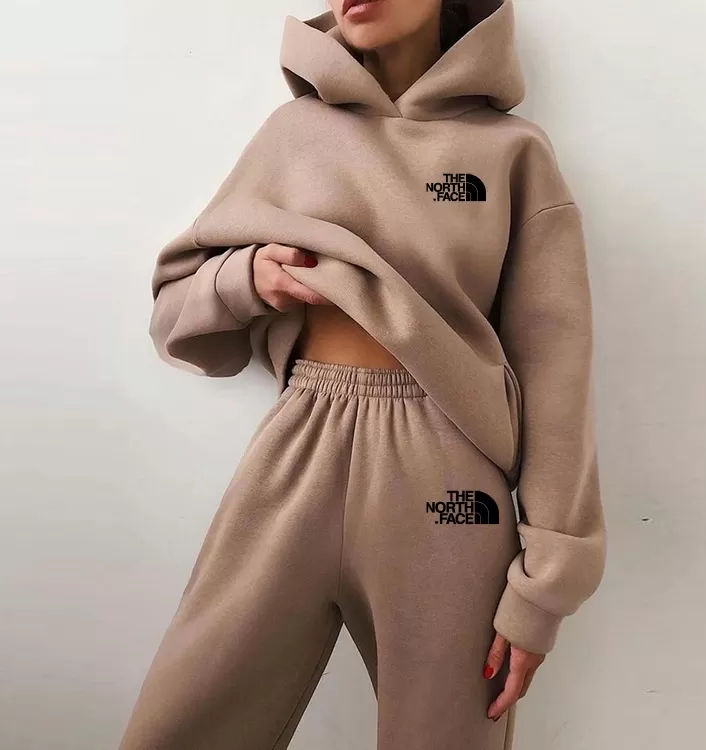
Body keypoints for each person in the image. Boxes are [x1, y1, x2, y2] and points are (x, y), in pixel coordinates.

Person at [119, 0, 607, 748]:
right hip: (300, 447)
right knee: (180, 724)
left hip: (449, 481)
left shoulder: (511, 152)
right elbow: (173, 312)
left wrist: (545, 588)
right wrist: (248, 276)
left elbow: (556, 367)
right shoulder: (295, 134)